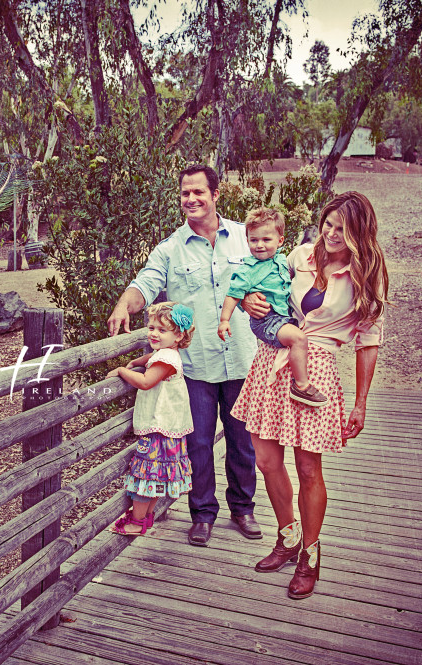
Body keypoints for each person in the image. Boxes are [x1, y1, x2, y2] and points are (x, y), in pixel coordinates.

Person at [230, 191, 388, 600]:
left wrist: (360, 402)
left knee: (308, 469)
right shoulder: (299, 256)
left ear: (359, 233)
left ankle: (310, 555)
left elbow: (368, 342)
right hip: (272, 358)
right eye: (329, 225)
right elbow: (260, 278)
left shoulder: (366, 274)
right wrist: (248, 300)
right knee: (264, 458)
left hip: (316, 367)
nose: (332, 234)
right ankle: (287, 536)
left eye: (342, 228)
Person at [107, 164, 267, 547]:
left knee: (242, 441)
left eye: (198, 192)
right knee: (196, 443)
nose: (191, 199)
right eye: (185, 193)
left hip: (242, 358)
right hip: (196, 365)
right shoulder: (169, 249)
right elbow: (144, 285)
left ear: (215, 194)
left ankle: (243, 508)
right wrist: (123, 306)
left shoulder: (244, 240)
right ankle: (203, 514)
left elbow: (272, 277)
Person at [218, 207, 326, 408]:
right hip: (265, 320)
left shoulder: (281, 261)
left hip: (282, 318)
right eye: (253, 240)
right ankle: (301, 386)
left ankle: (286, 388)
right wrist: (225, 320)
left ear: (280, 241)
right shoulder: (248, 270)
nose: (259, 245)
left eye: (266, 240)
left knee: (303, 338)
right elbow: (233, 294)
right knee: (298, 338)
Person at [107, 301, 195, 536]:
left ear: (178, 335)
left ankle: (136, 522)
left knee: (147, 474)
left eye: (162, 330)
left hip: (159, 427)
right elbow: (153, 359)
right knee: (156, 477)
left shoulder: (166, 359)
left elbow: (146, 382)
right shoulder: (167, 353)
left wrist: (122, 371)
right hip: (168, 427)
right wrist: (137, 362)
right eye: (152, 328)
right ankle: (145, 517)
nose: (154, 333)